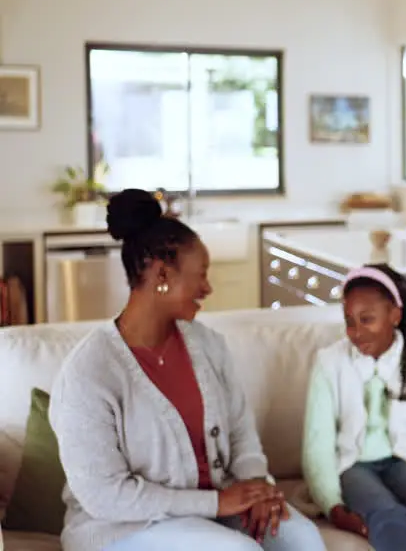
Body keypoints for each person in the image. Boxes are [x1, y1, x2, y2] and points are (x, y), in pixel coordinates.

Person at [48, 189, 325, 551]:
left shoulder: (209, 345)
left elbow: (242, 436)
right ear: (162, 274)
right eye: (202, 275)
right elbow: (104, 495)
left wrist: (257, 489)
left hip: (210, 510)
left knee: (302, 540)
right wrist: (214, 503)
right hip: (120, 527)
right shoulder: (89, 372)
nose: (207, 288)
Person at [302, 264, 406, 551]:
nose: (355, 332)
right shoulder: (329, 363)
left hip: (405, 459)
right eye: (349, 321)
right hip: (354, 465)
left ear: (394, 315)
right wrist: (331, 503)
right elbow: (317, 442)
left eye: (366, 320)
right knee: (386, 513)